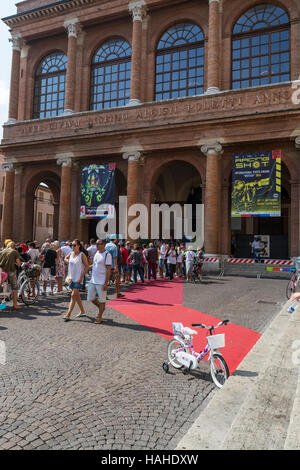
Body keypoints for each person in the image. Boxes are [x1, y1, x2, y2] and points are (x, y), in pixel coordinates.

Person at [63, 239, 89, 321]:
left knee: (73, 295)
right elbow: (65, 259)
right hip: (71, 278)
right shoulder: (70, 254)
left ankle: (68, 314)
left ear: (79, 246)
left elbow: (87, 266)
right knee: (76, 296)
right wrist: (67, 261)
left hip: (78, 278)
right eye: (71, 245)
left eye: (74, 245)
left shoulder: (82, 255)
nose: (72, 247)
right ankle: (82, 311)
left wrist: (81, 277)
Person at [87, 239, 112, 324]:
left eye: (98, 244)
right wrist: (88, 267)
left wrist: (106, 283)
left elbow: (108, 270)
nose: (96, 245)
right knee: (91, 297)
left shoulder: (107, 255)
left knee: (102, 300)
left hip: (102, 281)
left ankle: (100, 316)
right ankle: (101, 308)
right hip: (93, 279)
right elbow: (95, 264)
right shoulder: (96, 253)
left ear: (104, 245)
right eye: (96, 244)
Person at [0, 241, 22, 310]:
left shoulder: (2, 251)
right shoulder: (14, 252)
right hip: (10, 271)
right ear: (14, 246)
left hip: (2, 271)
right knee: (14, 287)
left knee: (1, 287)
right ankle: (15, 305)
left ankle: (1, 305)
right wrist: (19, 265)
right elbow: (18, 263)